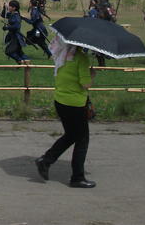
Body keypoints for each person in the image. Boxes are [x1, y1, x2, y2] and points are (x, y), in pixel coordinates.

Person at [35, 35, 96, 188]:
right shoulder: (81, 59)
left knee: (71, 135)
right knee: (82, 139)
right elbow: (85, 84)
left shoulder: (61, 56)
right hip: (75, 104)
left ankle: (46, 160)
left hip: (60, 101)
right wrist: (92, 76)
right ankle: (77, 177)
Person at [3, 0, 30, 64]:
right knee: (19, 52)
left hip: (16, 37)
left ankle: (20, 61)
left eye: (10, 6)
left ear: (14, 8)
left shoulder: (16, 16)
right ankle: (27, 61)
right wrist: (5, 8)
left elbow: (16, 26)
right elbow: (3, 15)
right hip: (12, 36)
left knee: (8, 51)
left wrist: (7, 28)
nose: (9, 7)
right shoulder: (11, 14)